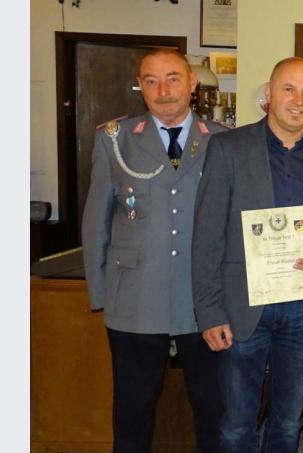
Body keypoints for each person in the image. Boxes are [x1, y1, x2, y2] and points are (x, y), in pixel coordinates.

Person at [191, 57, 303, 452]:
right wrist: (209, 311)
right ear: (269, 94)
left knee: (288, 424)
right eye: (288, 89)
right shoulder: (227, 148)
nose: (298, 100)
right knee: (235, 426)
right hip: (243, 306)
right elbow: (207, 233)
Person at [82, 48, 225, 453]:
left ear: (193, 83)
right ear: (140, 86)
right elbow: (96, 222)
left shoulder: (223, 141)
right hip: (135, 300)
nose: (163, 90)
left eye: (173, 78)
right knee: (132, 409)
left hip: (204, 303)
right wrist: (101, 294)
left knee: (213, 409)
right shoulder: (115, 139)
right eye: (151, 80)